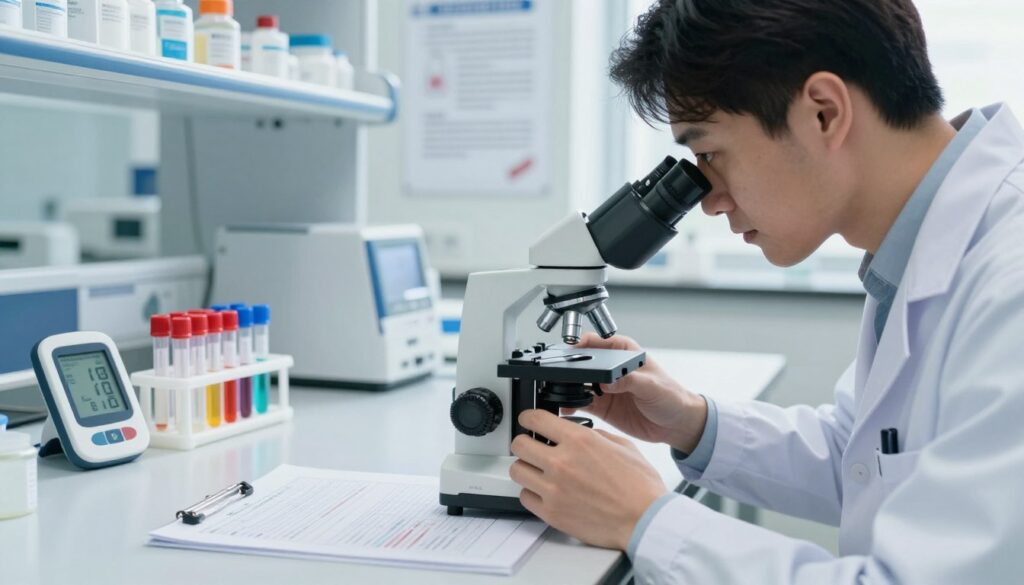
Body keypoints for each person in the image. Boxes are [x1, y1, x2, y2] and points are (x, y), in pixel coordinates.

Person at [508, 0, 1024, 582]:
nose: (708, 198)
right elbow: (866, 459)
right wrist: (691, 422)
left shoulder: (1010, 287)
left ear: (823, 113)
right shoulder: (917, 249)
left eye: (709, 153)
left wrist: (644, 519)